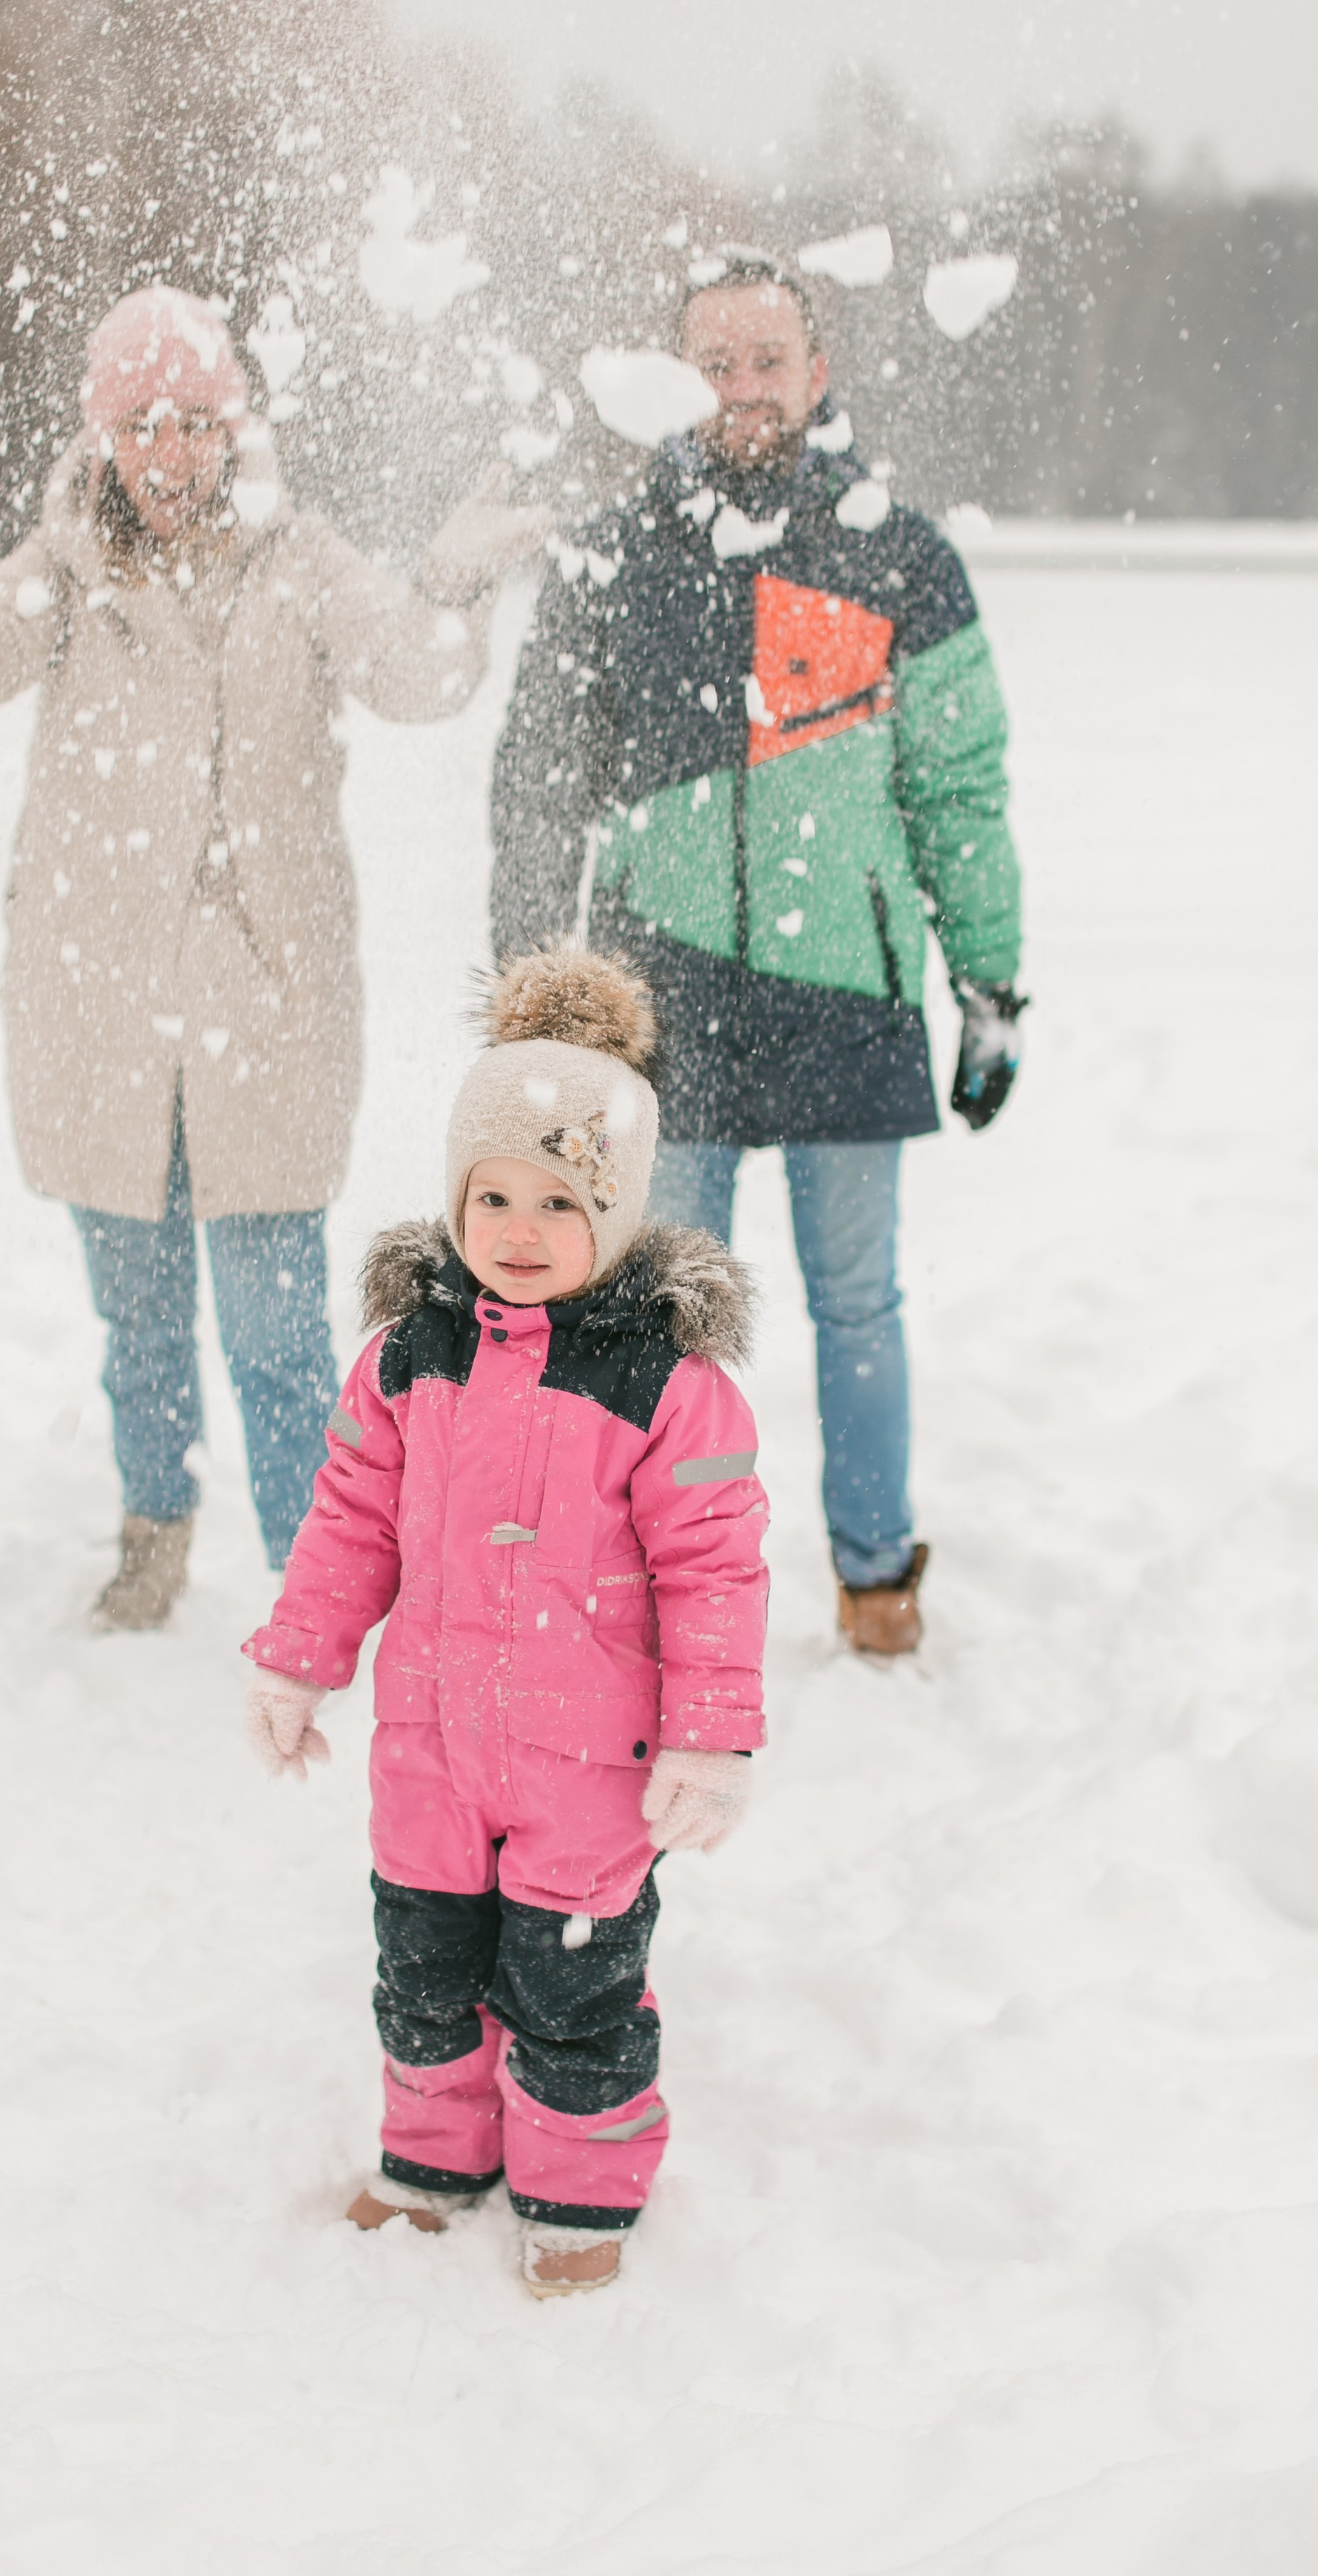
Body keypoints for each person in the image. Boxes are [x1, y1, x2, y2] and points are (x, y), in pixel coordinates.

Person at [0, 284, 548, 1626]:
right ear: (104, 439)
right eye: (141, 427)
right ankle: (154, 1530)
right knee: (140, 1328)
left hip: (265, 1015)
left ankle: (320, 1578)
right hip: (98, 1008)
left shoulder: (300, 560)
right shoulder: (62, 566)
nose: (168, 455)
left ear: (232, 430)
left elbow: (416, 676)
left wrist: (456, 581)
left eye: (192, 424)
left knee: (280, 1341)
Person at [489, 248, 1025, 1658]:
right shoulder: (610, 558)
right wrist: (531, 999)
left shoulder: (899, 555)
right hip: (662, 1002)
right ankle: (665, 1588)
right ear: (674, 379)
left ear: (817, 373)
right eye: (713, 364)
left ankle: (874, 1577)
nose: (742, 391)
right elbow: (539, 783)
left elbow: (957, 793)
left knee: (858, 1303)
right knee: (656, 1322)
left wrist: (988, 984)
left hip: (845, 989)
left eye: (767, 361)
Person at [240, 949, 767, 2297]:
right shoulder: (413, 1358)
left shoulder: (666, 1385)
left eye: (559, 1199)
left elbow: (715, 1568)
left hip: (588, 1770)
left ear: (620, 1210)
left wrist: (709, 1741)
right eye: (494, 1197)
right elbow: (350, 1519)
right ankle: (433, 2161)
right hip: (430, 1746)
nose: (520, 1228)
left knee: (572, 1990)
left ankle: (582, 2197)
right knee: (422, 1972)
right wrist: (301, 1660)